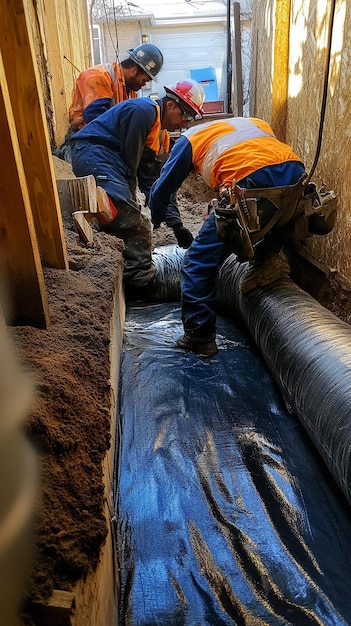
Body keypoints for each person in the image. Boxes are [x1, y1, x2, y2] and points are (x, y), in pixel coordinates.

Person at [149, 116, 335, 357]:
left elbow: (163, 187)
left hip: (251, 180)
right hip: (296, 173)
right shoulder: (252, 123)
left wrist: (157, 217)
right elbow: (268, 167)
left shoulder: (189, 140)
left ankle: (199, 337)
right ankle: (267, 261)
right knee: (279, 213)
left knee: (196, 264)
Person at [70, 78, 205, 289]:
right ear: (170, 105)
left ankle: (127, 264)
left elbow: (156, 183)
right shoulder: (144, 111)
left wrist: (176, 224)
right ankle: (139, 281)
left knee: (128, 213)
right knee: (133, 220)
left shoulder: (159, 135)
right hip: (93, 153)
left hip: (108, 160)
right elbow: (130, 169)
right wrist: (131, 206)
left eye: (190, 118)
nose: (186, 123)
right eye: (186, 114)